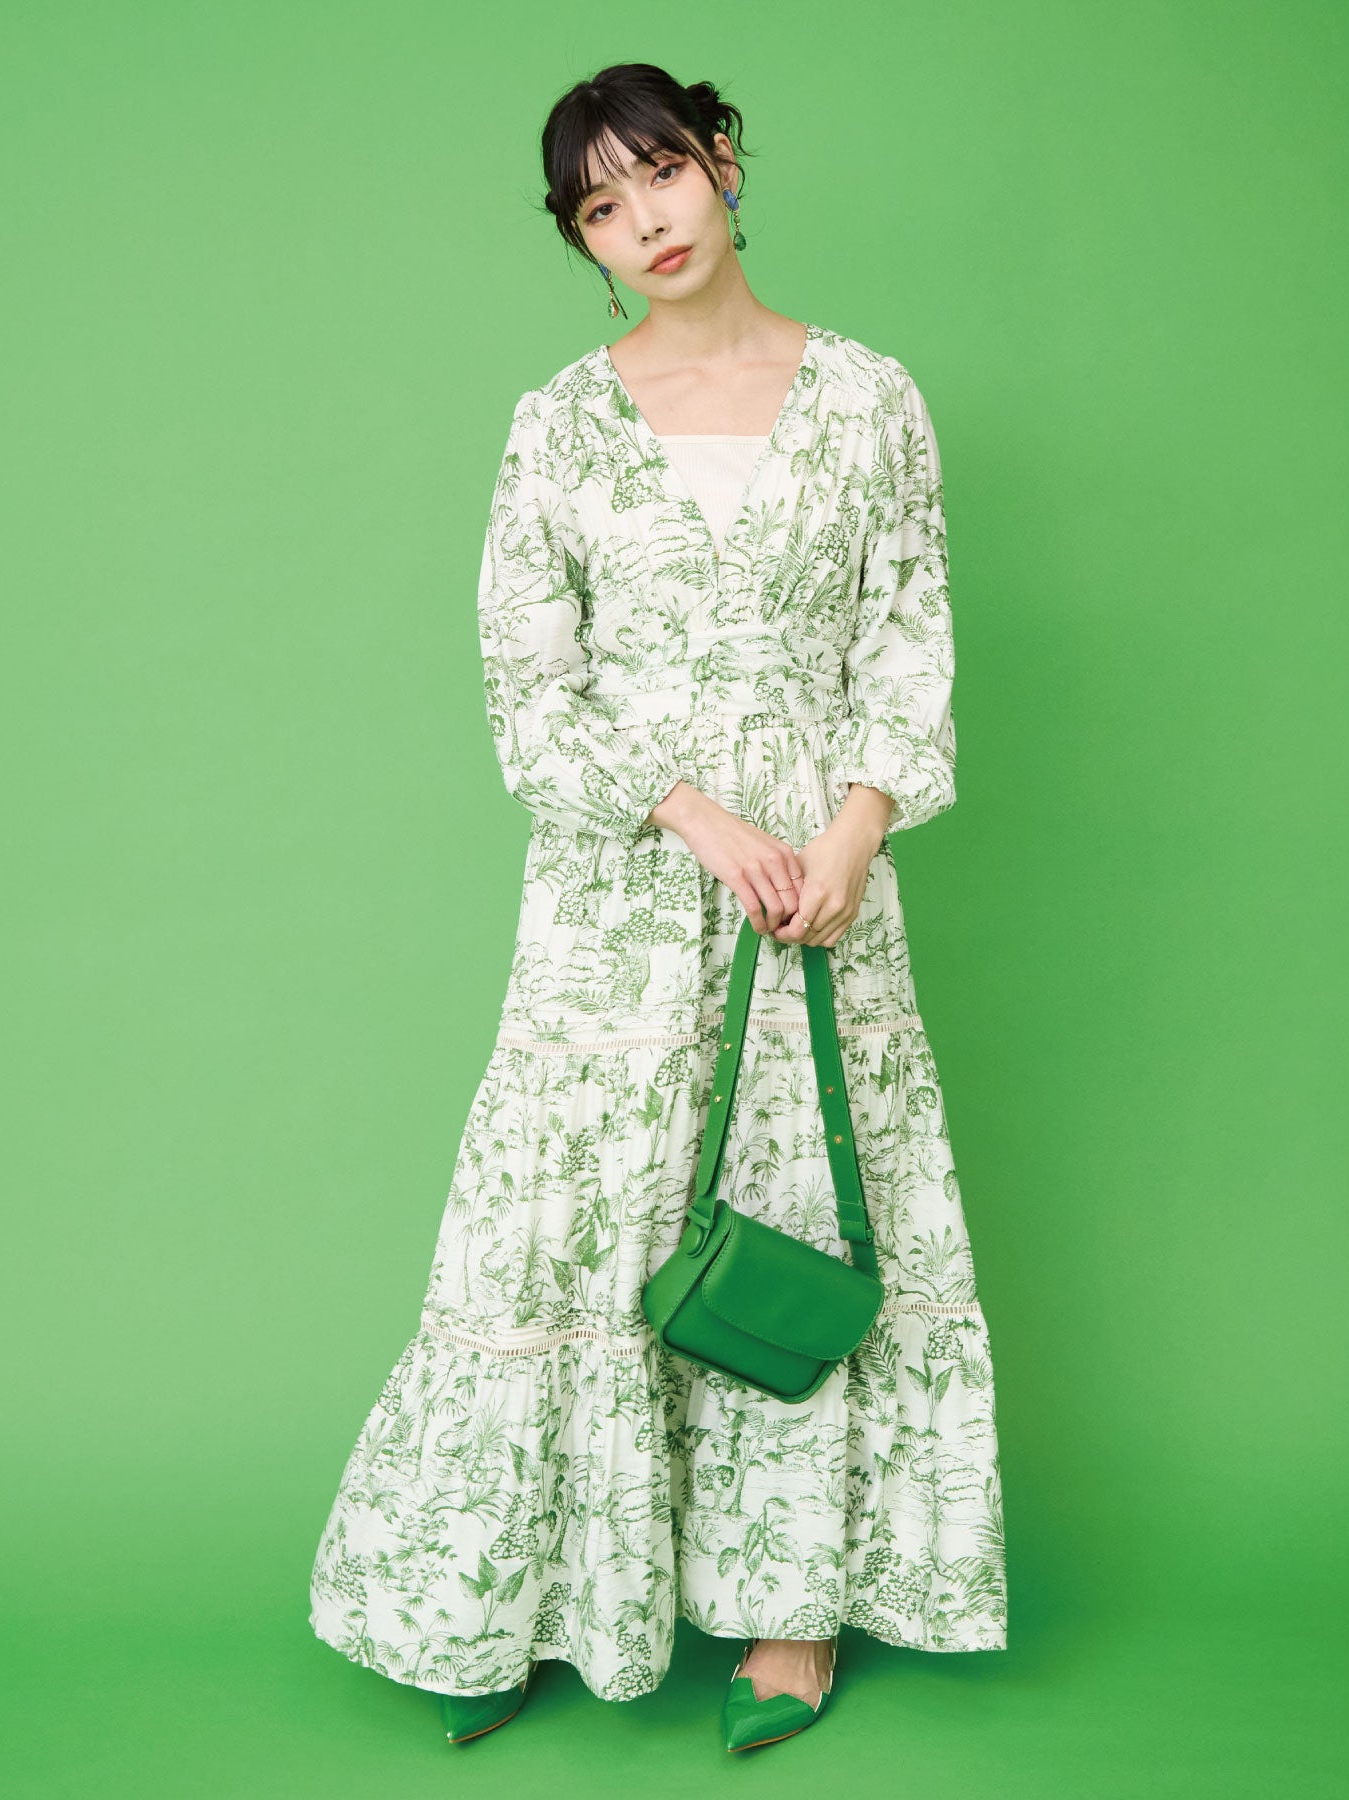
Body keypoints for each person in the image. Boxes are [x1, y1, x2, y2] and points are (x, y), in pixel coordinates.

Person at [308, 60, 1006, 1752]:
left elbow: (909, 633)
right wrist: (692, 814)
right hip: (621, 885)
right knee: (574, 1224)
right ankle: (537, 1597)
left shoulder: (870, 399)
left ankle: (792, 1613)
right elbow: (527, 687)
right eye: (601, 209)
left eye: (664, 175)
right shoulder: (558, 422)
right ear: (583, 242)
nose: (646, 223)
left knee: (798, 1207)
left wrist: (856, 829)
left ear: (726, 164)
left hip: (816, 889)